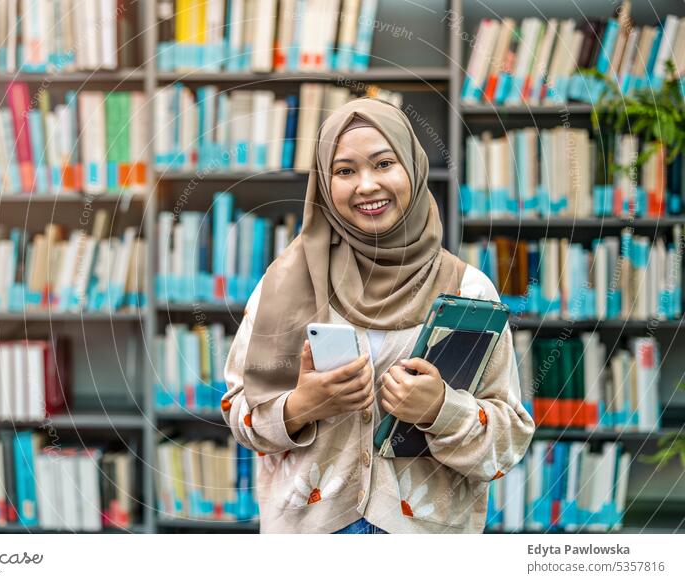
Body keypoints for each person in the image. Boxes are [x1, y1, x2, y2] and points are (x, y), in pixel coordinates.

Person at [220, 97, 535, 534]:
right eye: (345, 171)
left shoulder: (468, 289)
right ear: (325, 184)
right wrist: (300, 406)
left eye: (384, 164)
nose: (366, 185)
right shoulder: (286, 283)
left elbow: (509, 442)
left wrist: (440, 410)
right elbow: (239, 414)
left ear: (413, 167)